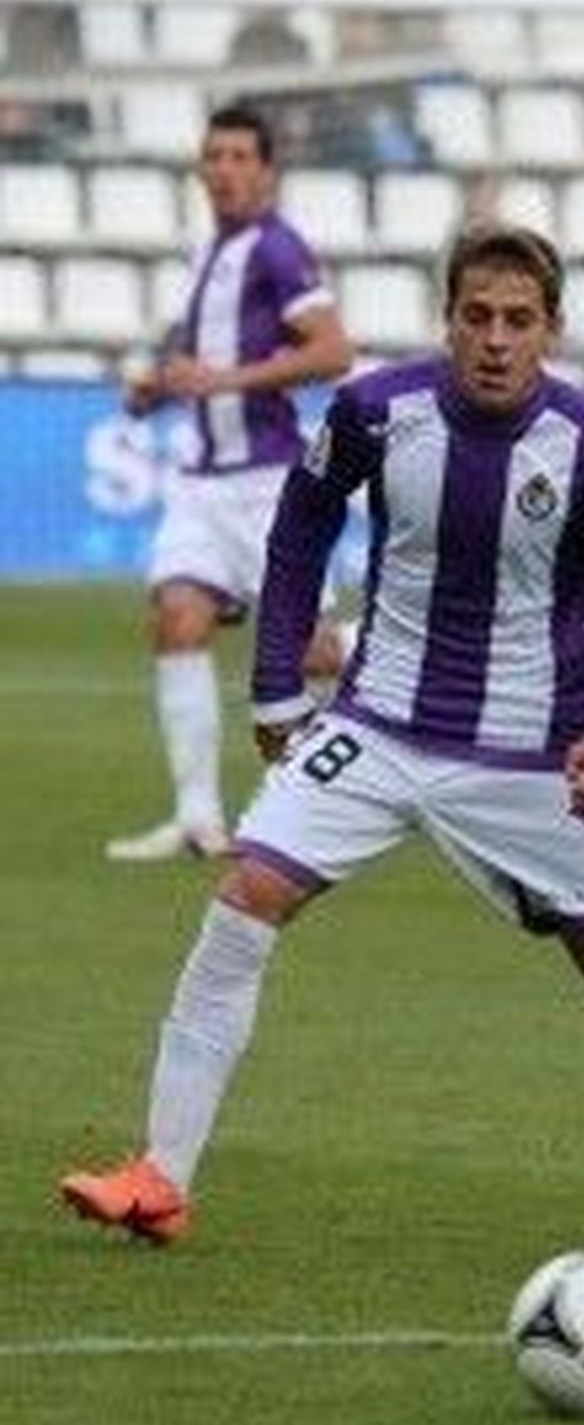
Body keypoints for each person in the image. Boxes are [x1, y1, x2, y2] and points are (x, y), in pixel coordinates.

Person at [61, 222, 584, 1251]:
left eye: (518, 321)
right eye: (476, 317)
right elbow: (297, 537)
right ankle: (160, 1176)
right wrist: (277, 693)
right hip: (379, 724)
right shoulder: (375, 412)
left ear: (552, 330)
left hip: (531, 752)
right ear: (446, 320)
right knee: (245, 897)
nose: (495, 339)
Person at [106, 104, 354, 863]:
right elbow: (196, 350)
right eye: (214, 155)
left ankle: (403, 640)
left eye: (242, 156)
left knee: (309, 652)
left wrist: (225, 379)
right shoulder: (210, 250)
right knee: (176, 616)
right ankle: (196, 819)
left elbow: (334, 351)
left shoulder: (278, 250)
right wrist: (158, 386)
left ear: (269, 171)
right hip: (203, 478)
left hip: (265, 482)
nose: (225, 169)